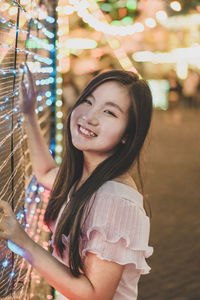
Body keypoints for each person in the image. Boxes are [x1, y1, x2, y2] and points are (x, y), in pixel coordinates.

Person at [0, 64, 153, 300]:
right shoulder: (87, 177)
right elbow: (45, 172)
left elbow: (95, 296)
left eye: (109, 112)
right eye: (89, 101)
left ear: (127, 135)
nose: (89, 116)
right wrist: (29, 113)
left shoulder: (114, 199)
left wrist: (23, 242)